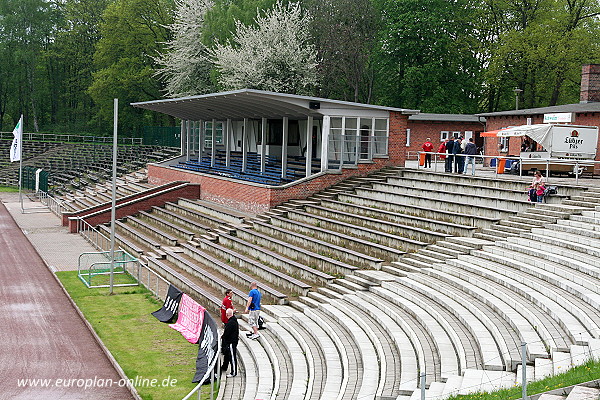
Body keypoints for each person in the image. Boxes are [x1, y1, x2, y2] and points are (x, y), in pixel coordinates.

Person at [221, 308, 239, 378]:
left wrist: (223, 337)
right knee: (228, 355)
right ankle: (225, 367)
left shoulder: (231, 323)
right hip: (231, 341)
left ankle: (233, 372)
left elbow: (227, 333)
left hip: (231, 342)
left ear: (226, 314)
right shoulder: (232, 321)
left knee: (232, 357)